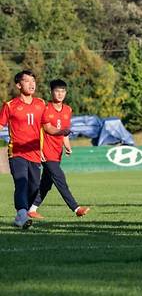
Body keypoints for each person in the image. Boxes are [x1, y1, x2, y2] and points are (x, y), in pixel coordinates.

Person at [0, 70, 69, 229]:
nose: (32, 84)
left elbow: (47, 127)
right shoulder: (10, 106)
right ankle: (22, 215)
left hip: (35, 153)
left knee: (34, 187)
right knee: (21, 183)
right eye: (27, 81)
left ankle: (23, 213)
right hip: (17, 152)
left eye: (33, 81)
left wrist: (60, 131)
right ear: (19, 85)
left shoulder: (40, 103)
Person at [28, 79, 90, 219]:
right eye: (57, 91)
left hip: (57, 153)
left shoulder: (68, 110)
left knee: (46, 183)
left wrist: (67, 146)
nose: (60, 94)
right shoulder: (45, 108)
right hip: (46, 152)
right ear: (51, 92)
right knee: (60, 178)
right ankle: (76, 208)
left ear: (66, 93)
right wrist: (39, 149)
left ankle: (31, 209)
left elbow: (64, 132)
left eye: (63, 91)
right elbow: (45, 129)